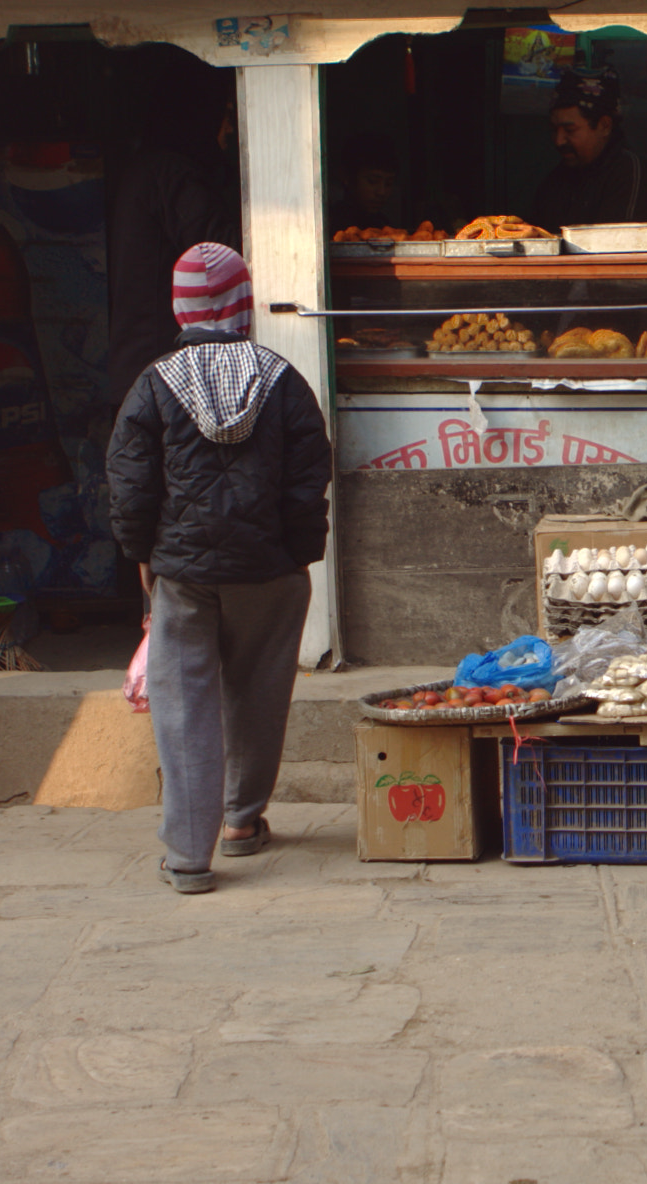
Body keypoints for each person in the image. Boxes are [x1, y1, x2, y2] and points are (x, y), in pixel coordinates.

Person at [107, 243, 332, 894]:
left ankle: (187, 857)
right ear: (241, 300)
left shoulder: (154, 383)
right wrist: (297, 556)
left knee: (185, 711)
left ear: (180, 305)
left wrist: (144, 558)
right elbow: (306, 477)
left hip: (184, 572)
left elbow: (129, 484)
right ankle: (240, 821)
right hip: (271, 569)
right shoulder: (282, 378)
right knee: (258, 696)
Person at [106, 87, 241, 401]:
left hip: (141, 367)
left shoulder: (148, 167)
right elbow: (221, 255)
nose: (231, 128)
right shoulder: (172, 173)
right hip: (163, 371)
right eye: (226, 114)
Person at [530, 69, 647, 232]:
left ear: (604, 126)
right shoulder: (555, 182)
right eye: (554, 130)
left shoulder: (634, 175)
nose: (559, 140)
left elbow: (621, 248)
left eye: (570, 130)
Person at [326, 133, 400, 233]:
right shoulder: (331, 224)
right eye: (372, 181)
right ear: (347, 177)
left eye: (389, 184)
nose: (381, 192)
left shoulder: (383, 224)